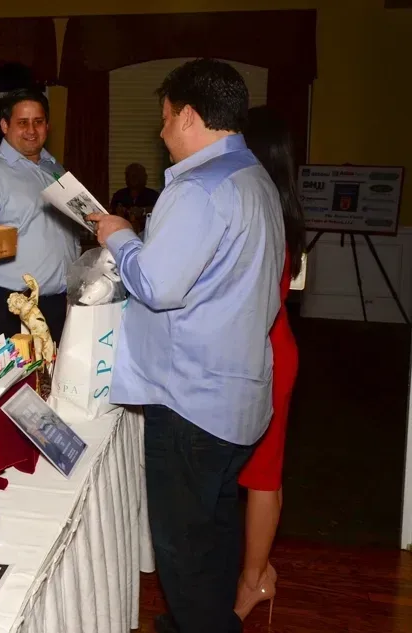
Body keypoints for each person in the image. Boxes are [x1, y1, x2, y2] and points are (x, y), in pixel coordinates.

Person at [89, 59, 284, 633]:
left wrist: (119, 236)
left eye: (167, 119)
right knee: (217, 536)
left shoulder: (197, 188)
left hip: (190, 400)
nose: (162, 132)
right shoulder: (253, 177)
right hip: (238, 396)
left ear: (191, 116)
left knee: (184, 556)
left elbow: (156, 287)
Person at [233, 105, 304, 623]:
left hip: (265, 351)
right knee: (267, 474)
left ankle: (253, 580)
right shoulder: (283, 207)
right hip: (274, 344)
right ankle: (258, 573)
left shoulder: (260, 210)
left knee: (262, 476)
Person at [0, 88, 79, 345]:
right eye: (22, 123)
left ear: (48, 124)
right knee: (17, 384)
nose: (31, 130)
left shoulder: (53, 166)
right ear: (4, 125)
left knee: (55, 382)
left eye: (38, 121)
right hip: (11, 307)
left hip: (61, 303)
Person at [110, 163, 160, 233]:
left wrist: (143, 211)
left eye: (137, 175)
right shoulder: (119, 195)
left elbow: (159, 215)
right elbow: (112, 218)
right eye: (131, 175)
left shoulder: (153, 195)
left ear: (145, 177)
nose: (134, 178)